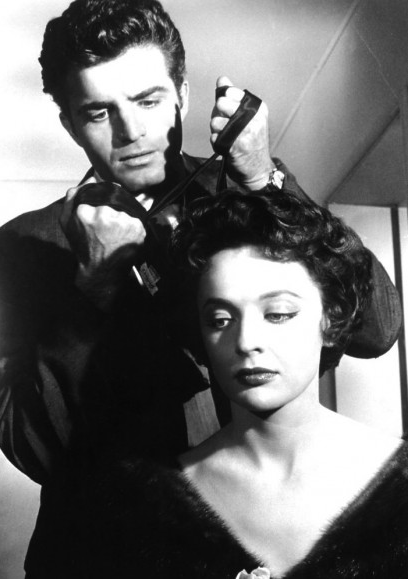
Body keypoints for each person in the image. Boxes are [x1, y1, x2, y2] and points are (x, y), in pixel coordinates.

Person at [0, 0, 402, 575]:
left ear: (182, 92)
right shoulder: (21, 246)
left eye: (148, 101)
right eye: (98, 112)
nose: (131, 132)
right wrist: (93, 288)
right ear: (69, 124)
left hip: (255, 537)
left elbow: (378, 329)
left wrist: (263, 180)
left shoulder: (248, 187)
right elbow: (36, 449)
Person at [72, 190, 407, 578]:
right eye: (220, 320)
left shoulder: (400, 486)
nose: (246, 342)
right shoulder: (144, 503)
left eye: (277, 314)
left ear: (331, 317)